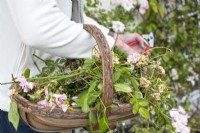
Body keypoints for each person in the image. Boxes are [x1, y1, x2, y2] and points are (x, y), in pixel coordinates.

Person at [0, 0, 146, 132]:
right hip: (23, 107)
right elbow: (38, 27)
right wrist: (111, 45)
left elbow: (64, 15)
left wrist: (113, 36)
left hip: (51, 102)